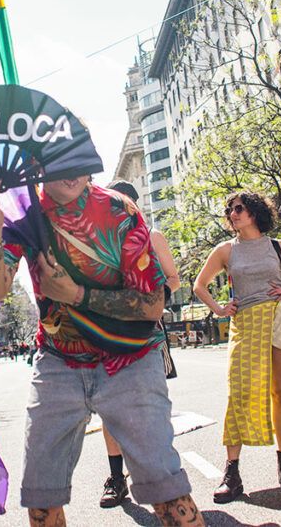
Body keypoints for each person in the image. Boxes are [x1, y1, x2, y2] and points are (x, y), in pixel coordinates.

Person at [0, 173, 203, 527]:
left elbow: (153, 305)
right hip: (58, 360)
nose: (71, 171)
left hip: (131, 359)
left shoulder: (119, 210)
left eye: (77, 154)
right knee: (41, 496)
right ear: (36, 164)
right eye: (57, 159)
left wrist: (77, 295)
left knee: (165, 488)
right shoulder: (22, 216)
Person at [193, 191, 281, 503]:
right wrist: (219, 308)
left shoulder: (276, 246)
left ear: (254, 212)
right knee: (238, 394)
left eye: (239, 208)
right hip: (246, 324)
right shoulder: (225, 250)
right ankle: (232, 473)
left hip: (279, 319)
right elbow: (199, 285)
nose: (233, 213)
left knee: (280, 392)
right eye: (230, 209)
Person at [97, 180, 183, 509]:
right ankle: (116, 478)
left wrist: (152, 301)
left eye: (122, 202)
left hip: (147, 332)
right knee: (109, 408)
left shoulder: (152, 236)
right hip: (108, 334)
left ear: (134, 205)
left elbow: (174, 278)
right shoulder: (99, 241)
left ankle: (163, 475)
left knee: (151, 405)